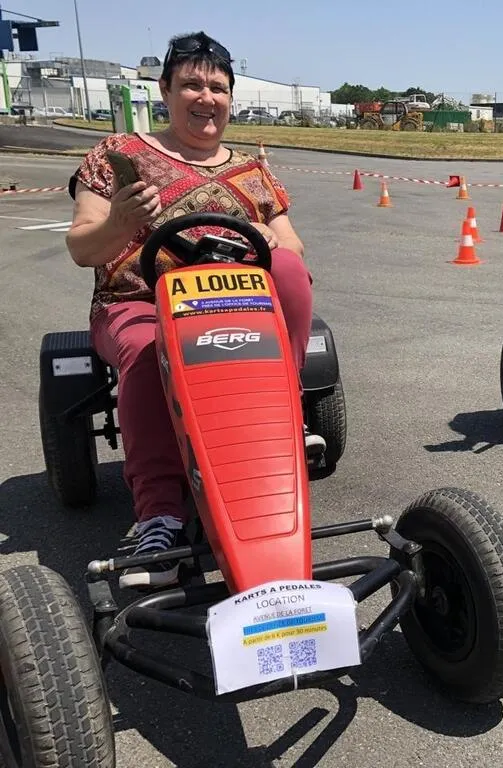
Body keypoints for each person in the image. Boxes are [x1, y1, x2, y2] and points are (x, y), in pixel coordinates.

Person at [66, 31, 325, 590]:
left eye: (217, 87)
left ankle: (285, 411)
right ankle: (159, 513)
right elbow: (82, 247)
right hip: (136, 303)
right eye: (191, 84)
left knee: (289, 272)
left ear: (231, 97)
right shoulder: (118, 157)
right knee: (146, 348)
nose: (205, 97)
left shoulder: (253, 171)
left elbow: (293, 248)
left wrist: (266, 234)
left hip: (232, 304)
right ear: (165, 89)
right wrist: (121, 223)